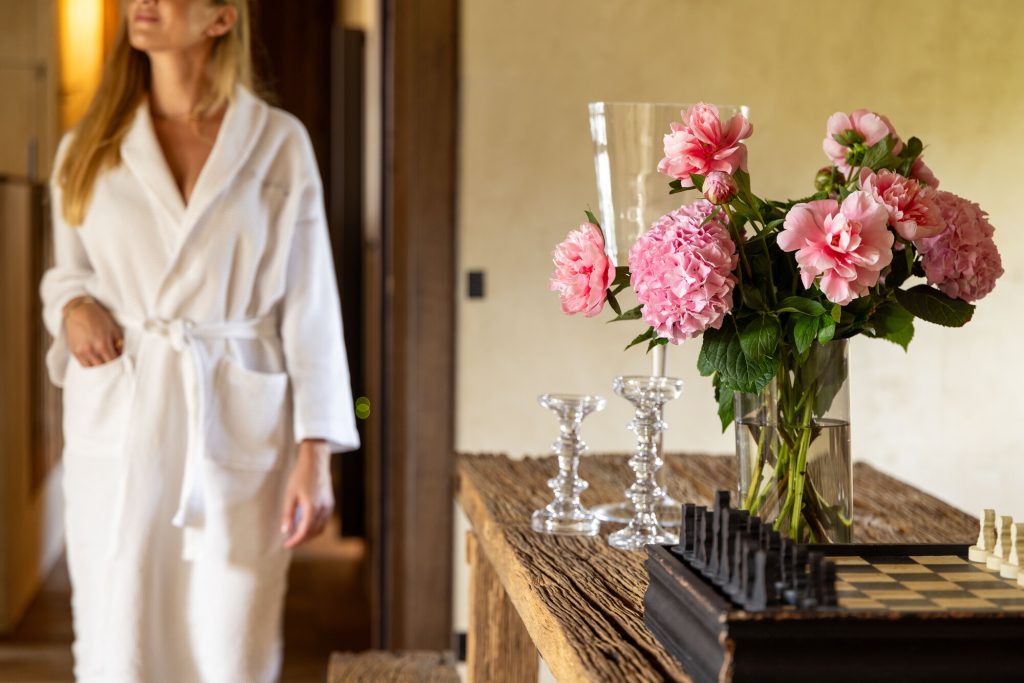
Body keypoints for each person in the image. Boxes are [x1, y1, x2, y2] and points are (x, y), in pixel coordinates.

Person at [38, 1, 359, 680]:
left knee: (230, 636)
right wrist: (71, 304)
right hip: (125, 411)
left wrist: (316, 450)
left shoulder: (277, 141)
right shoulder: (87, 145)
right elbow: (66, 270)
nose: (141, 2)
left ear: (221, 18)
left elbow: (310, 303)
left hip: (235, 412)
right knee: (116, 628)